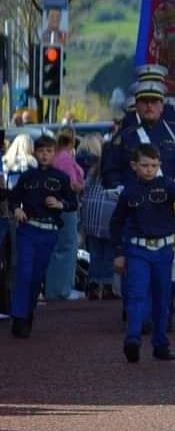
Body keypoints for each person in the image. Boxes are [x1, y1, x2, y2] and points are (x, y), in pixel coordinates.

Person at [110, 144, 175, 363]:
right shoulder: (128, 192)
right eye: (144, 165)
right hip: (137, 249)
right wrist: (119, 252)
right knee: (137, 294)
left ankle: (160, 344)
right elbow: (116, 224)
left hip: (163, 250)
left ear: (159, 165)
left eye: (153, 165)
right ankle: (133, 339)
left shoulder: (167, 186)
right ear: (134, 166)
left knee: (163, 297)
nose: (149, 170)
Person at [8, 136, 78, 338]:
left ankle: (27, 312)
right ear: (34, 153)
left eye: (48, 151)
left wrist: (60, 204)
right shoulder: (27, 176)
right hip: (28, 229)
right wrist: (16, 210)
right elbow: (14, 199)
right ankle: (19, 317)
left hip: (49, 231)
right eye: (41, 151)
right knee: (24, 272)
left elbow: (72, 203)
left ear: (54, 153)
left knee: (36, 276)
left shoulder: (62, 178)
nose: (45, 155)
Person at [102, 75, 175, 189]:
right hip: (137, 201)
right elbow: (110, 170)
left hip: (174, 201)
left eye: (154, 101)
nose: (149, 105)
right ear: (137, 106)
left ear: (162, 106)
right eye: (144, 101)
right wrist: (117, 186)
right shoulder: (125, 137)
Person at [44, 128, 85, 301]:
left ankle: (54, 288)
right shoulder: (66, 159)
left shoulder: (55, 158)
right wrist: (82, 187)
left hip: (56, 207)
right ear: (72, 141)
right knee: (68, 246)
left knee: (58, 248)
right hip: (67, 207)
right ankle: (63, 289)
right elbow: (72, 185)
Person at [78, 135, 119, 301]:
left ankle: (94, 284)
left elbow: (85, 187)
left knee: (95, 252)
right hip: (109, 213)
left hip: (92, 214)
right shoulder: (113, 169)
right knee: (108, 252)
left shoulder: (92, 170)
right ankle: (108, 286)